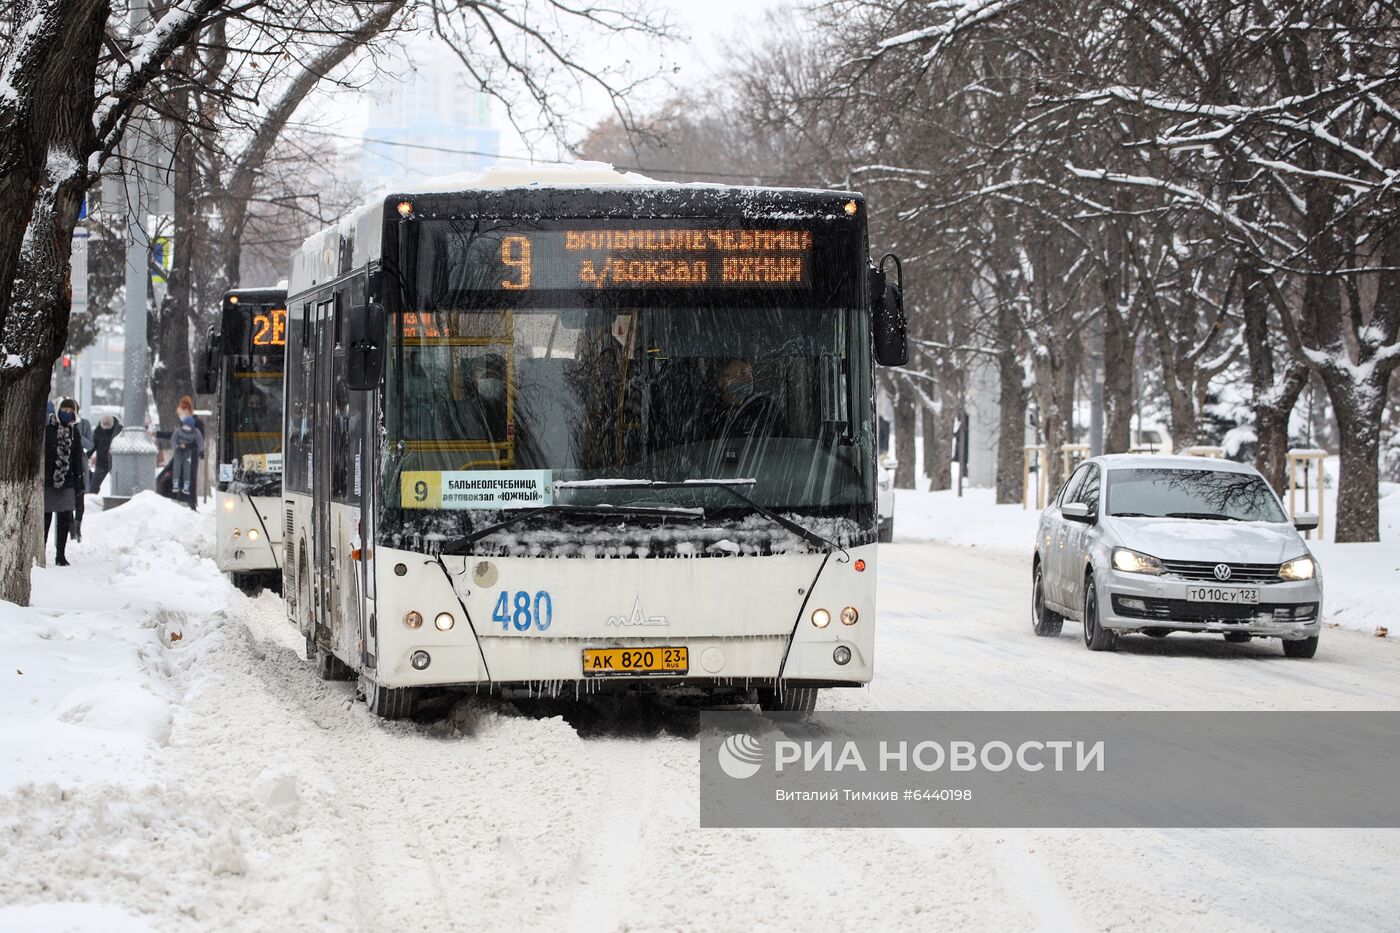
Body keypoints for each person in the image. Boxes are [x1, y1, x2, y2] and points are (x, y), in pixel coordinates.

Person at [44, 398, 87, 566]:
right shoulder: (48, 430)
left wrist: (79, 483)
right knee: (45, 519)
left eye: (70, 411)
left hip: (67, 482)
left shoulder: (74, 433)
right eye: (64, 410)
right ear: (57, 410)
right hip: (48, 481)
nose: (66, 414)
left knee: (63, 519)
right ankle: (41, 551)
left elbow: (77, 458)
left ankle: (60, 555)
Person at [710, 358, 787, 439]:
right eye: (742, 373)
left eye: (750, 372)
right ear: (723, 381)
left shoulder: (766, 408)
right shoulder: (711, 414)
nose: (750, 379)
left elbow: (785, 444)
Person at [169, 409, 205, 510]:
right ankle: (183, 500)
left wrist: (198, 450)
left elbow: (200, 440)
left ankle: (190, 503)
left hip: (191, 455)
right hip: (181, 453)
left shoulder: (197, 425)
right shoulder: (183, 426)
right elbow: (173, 436)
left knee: (189, 476)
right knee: (180, 474)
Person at [71, 401, 93, 541]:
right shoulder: (60, 424)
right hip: (64, 464)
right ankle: (70, 528)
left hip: (80, 463)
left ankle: (77, 528)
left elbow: (90, 444)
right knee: (66, 501)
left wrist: (77, 434)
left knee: (80, 500)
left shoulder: (84, 424)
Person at [90, 413, 122, 494]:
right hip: (101, 463)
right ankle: (91, 502)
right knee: (93, 486)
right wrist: (85, 455)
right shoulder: (98, 431)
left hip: (115, 462)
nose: (105, 429)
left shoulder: (118, 431)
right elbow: (93, 446)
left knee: (119, 486)